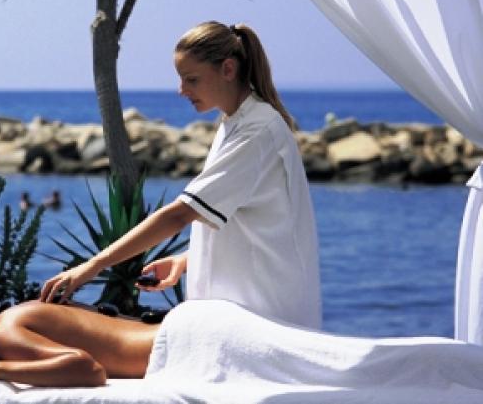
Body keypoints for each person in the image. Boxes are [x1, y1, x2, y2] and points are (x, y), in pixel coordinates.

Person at [40, 21, 321, 329]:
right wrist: (187, 260)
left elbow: (179, 215)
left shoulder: (256, 131)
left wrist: (92, 266)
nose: (182, 90)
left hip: (265, 317)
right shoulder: (237, 123)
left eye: (192, 79)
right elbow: (249, 221)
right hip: (248, 312)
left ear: (228, 69)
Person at [0, 276, 159, 388]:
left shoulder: (5, 334)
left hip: (170, 346)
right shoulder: (22, 311)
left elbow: (89, 369)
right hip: (166, 335)